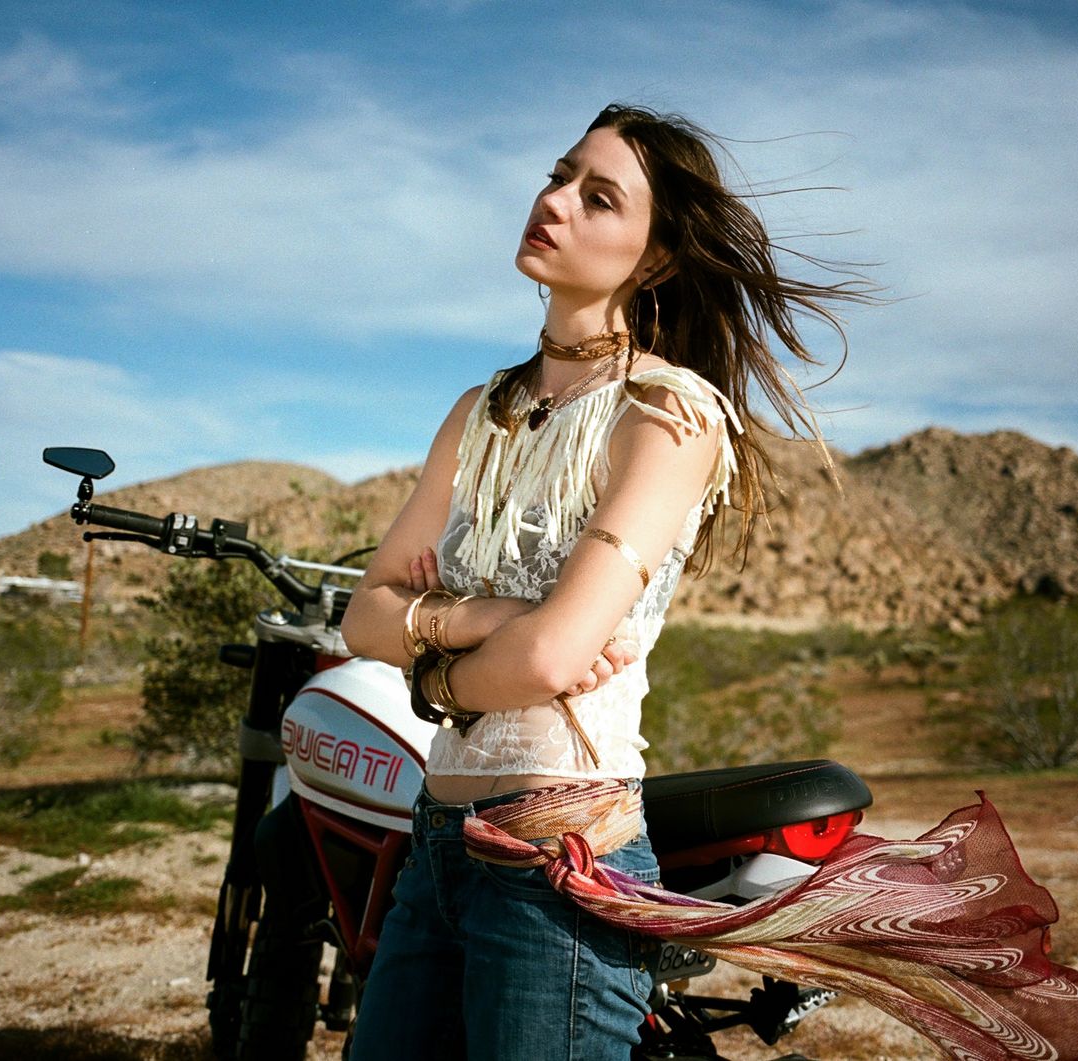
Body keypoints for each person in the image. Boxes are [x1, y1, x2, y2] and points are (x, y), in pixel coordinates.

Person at [339, 103, 868, 1060]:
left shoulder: (668, 413)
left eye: (598, 198)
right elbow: (359, 619)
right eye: (557, 176)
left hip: (562, 858)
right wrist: (485, 616)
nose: (553, 202)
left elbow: (549, 656)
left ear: (657, 256)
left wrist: (429, 658)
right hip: (438, 842)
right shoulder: (479, 410)